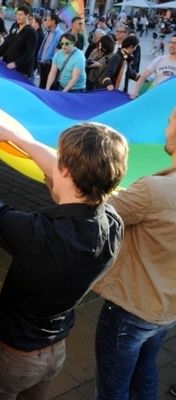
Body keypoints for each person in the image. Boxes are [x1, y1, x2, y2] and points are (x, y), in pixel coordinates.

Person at [0, 119, 128, 399]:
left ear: (65, 169)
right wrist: (16, 137)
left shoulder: (40, 235)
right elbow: (67, 172)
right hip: (54, 352)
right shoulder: (113, 225)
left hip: (11, 359)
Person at [94, 108, 176, 399]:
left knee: (113, 387)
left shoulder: (155, 190)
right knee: (145, 372)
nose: (166, 128)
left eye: (170, 122)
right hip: (165, 308)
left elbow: (98, 216)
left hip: (131, 309)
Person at [0, 6, 37, 78]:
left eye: (20, 15)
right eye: (17, 14)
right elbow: (6, 43)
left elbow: (29, 54)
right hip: (7, 66)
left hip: (21, 71)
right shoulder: (14, 26)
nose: (18, 17)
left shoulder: (31, 32)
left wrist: (15, 64)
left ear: (27, 16)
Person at [130, 34, 176, 99]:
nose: (172, 45)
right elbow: (143, 77)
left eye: (175, 43)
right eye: (171, 42)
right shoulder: (160, 59)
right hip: (157, 97)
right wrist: (135, 93)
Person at [37, 14, 63, 89]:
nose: (46, 22)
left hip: (50, 65)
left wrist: (50, 60)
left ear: (53, 21)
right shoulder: (48, 32)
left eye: (48, 20)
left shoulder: (60, 34)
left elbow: (58, 51)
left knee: (48, 87)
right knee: (41, 85)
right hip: (42, 63)